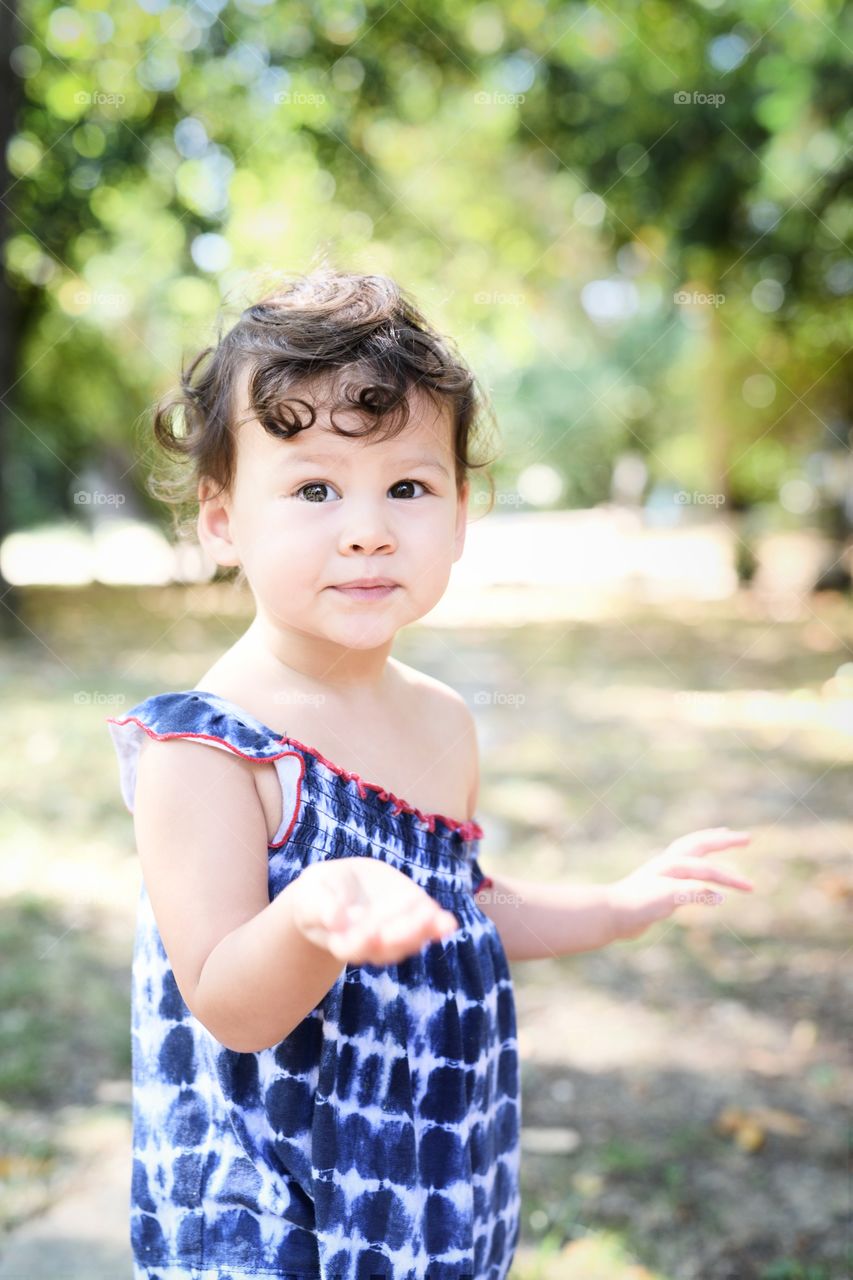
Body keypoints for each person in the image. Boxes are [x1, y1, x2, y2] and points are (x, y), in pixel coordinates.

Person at [106, 269, 755, 1280]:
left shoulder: (442, 722)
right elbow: (231, 1002)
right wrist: (314, 911)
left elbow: (466, 908)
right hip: (277, 1219)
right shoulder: (207, 749)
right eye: (315, 488)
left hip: (431, 1189)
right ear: (224, 519)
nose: (367, 528)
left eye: (407, 486)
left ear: (459, 514)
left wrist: (620, 904)